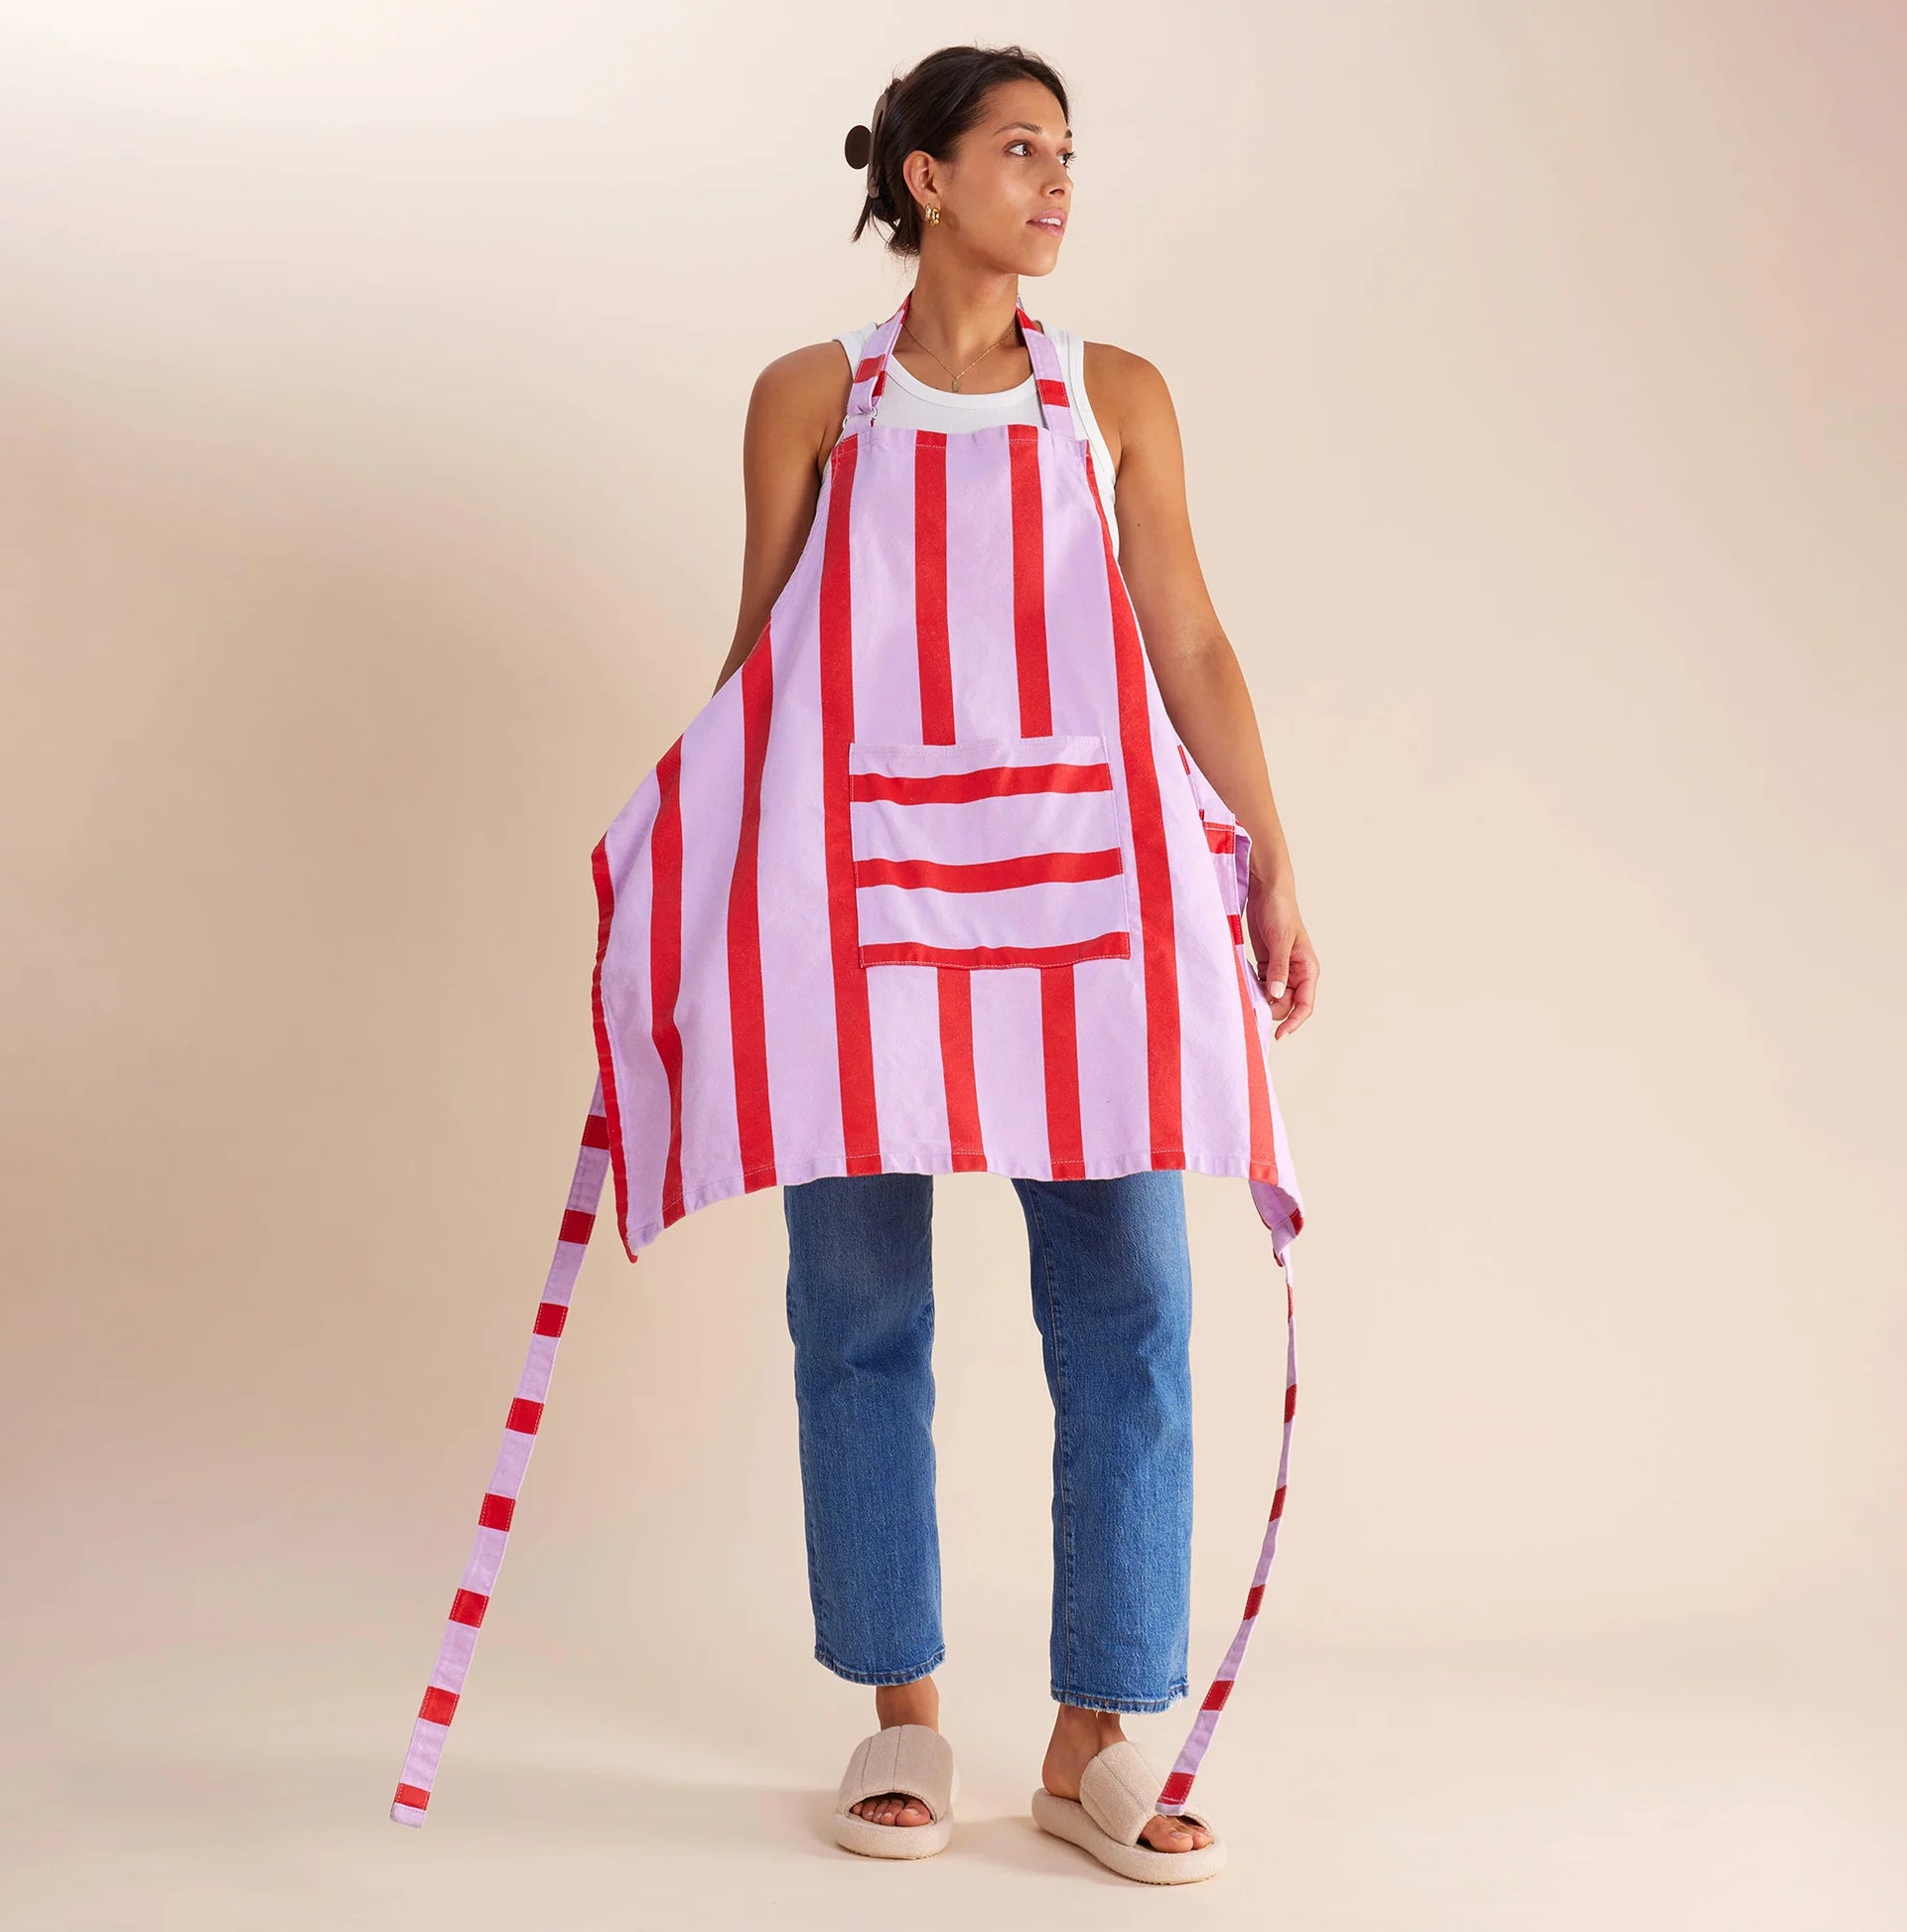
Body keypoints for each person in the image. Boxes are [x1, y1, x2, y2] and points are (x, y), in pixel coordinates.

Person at [707, 45, 1319, 1876]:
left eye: (1067, 152)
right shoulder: (812, 397)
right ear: (920, 177)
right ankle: (901, 1715)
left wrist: (1272, 851)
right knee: (857, 1307)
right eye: (1019, 148)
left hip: (1086, 903)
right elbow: (762, 659)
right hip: (865, 905)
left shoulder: (1111, 392)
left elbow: (1188, 639)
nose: (1056, 181)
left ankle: (1091, 1738)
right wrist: (696, 902)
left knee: (1129, 1303)